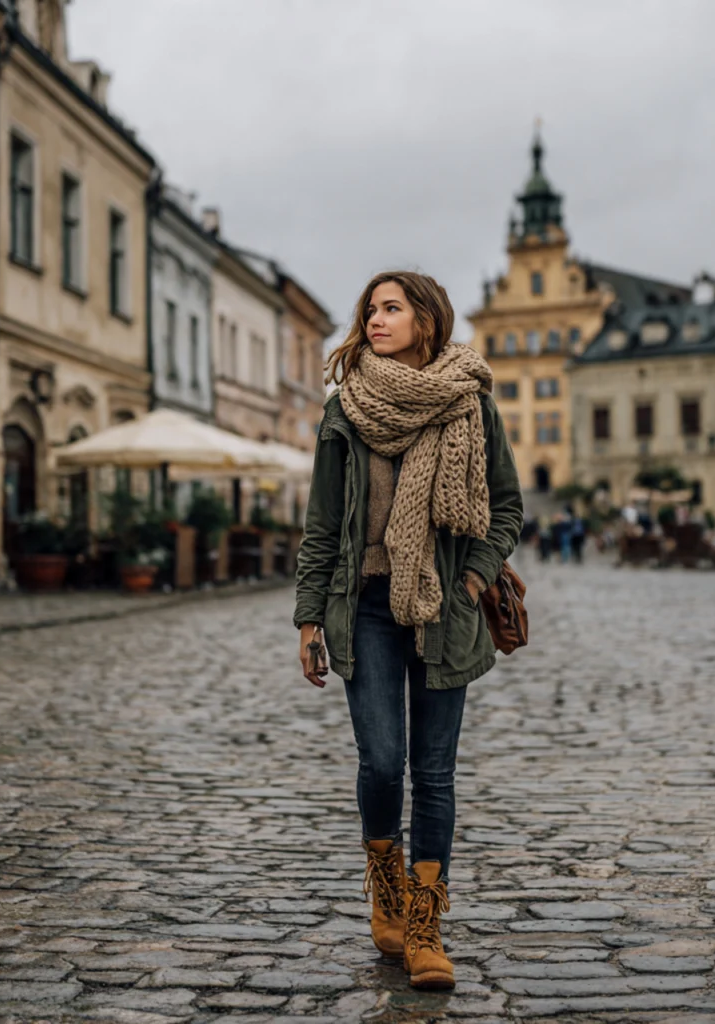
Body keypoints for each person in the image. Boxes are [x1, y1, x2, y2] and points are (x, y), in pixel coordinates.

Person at [294, 271, 523, 990]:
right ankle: (386, 888)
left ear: (427, 318)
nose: (376, 319)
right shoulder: (345, 410)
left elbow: (506, 508)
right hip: (365, 604)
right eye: (371, 309)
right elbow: (322, 525)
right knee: (383, 762)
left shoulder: (470, 403)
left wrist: (472, 581)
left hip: (445, 607)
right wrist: (308, 616)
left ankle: (425, 925)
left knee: (434, 772)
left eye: (391, 308)